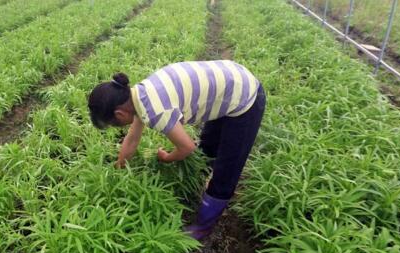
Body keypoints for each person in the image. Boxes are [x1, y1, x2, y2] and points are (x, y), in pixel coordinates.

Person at [87, 60, 266, 240]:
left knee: (227, 169)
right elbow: (132, 139)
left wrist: (167, 158)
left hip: (245, 96)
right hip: (229, 82)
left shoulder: (156, 111)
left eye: (113, 124)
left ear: (119, 114)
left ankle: (203, 227)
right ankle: (199, 188)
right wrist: (119, 166)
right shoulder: (138, 95)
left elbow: (187, 147)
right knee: (209, 145)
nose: (117, 127)